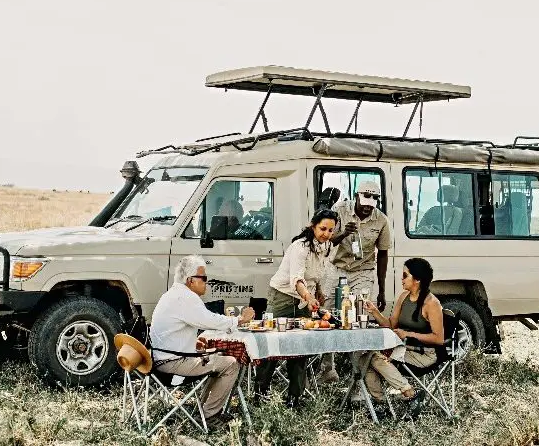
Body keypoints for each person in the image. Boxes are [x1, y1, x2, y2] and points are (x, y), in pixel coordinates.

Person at [150, 255, 255, 427]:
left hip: (165, 358)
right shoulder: (185, 297)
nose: (207, 282)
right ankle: (209, 415)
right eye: (204, 278)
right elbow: (210, 320)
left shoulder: (174, 294)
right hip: (172, 363)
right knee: (231, 364)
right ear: (191, 280)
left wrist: (192, 344)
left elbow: (176, 329)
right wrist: (240, 320)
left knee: (218, 360)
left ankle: (203, 410)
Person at [254, 209, 339, 407]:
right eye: (322, 228)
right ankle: (260, 393)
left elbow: (318, 275)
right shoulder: (300, 247)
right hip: (283, 297)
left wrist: (318, 292)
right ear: (313, 226)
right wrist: (308, 297)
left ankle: (294, 397)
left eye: (330, 230)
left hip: (304, 299)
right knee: (271, 344)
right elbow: (296, 279)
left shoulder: (327, 246)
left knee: (300, 347)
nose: (326, 233)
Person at [318, 180, 392, 383]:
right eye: (365, 200)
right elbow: (324, 240)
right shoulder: (339, 209)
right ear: (356, 196)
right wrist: (344, 233)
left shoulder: (381, 220)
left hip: (363, 271)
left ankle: (358, 376)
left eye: (372, 202)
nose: (368, 206)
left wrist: (382, 290)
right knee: (327, 314)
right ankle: (327, 369)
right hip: (336, 267)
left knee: (359, 318)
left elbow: (383, 254)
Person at [363, 258, 444, 419]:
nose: (401, 279)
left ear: (417, 280)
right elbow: (391, 325)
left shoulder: (431, 303)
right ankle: (382, 404)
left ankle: (409, 393)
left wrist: (408, 334)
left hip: (424, 354)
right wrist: (374, 312)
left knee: (374, 359)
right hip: (402, 348)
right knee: (366, 358)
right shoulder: (403, 297)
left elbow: (439, 339)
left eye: (405, 275)